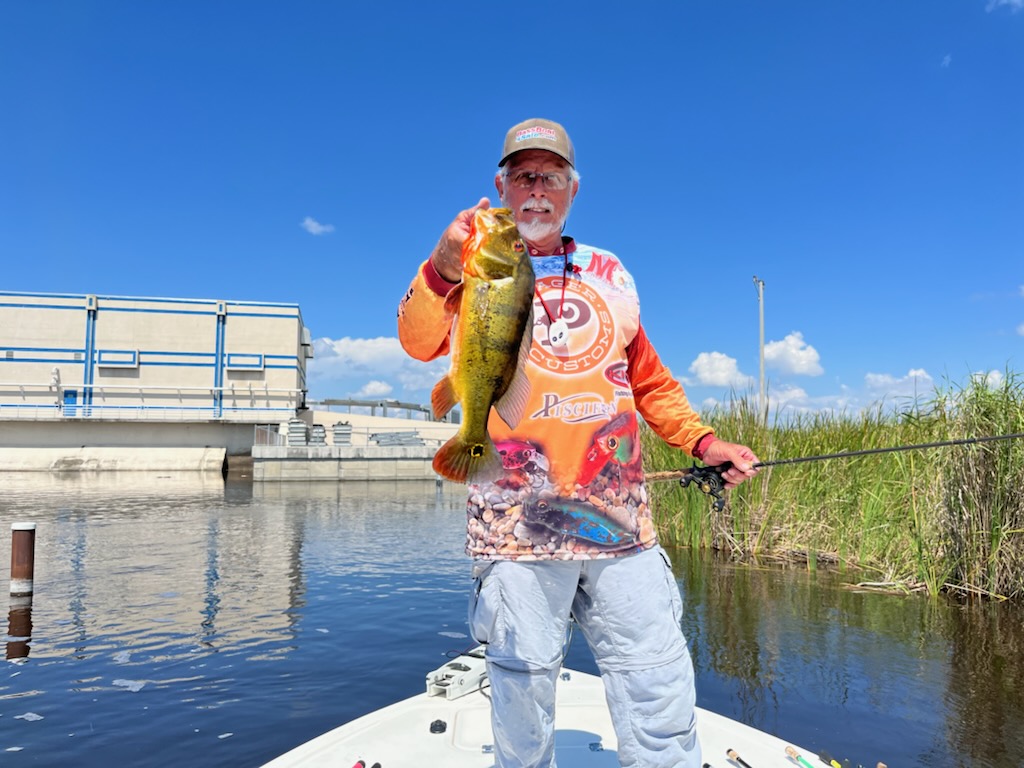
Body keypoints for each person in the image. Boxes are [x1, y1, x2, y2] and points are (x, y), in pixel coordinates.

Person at [397, 118, 760, 768]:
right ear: (500, 186)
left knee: (657, 681)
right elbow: (417, 339)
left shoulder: (610, 271)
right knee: (520, 693)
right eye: (523, 176)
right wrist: (441, 268)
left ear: (573, 189)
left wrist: (705, 443)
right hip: (516, 528)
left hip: (619, 522)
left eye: (551, 177)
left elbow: (648, 380)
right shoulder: (471, 264)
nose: (537, 190)